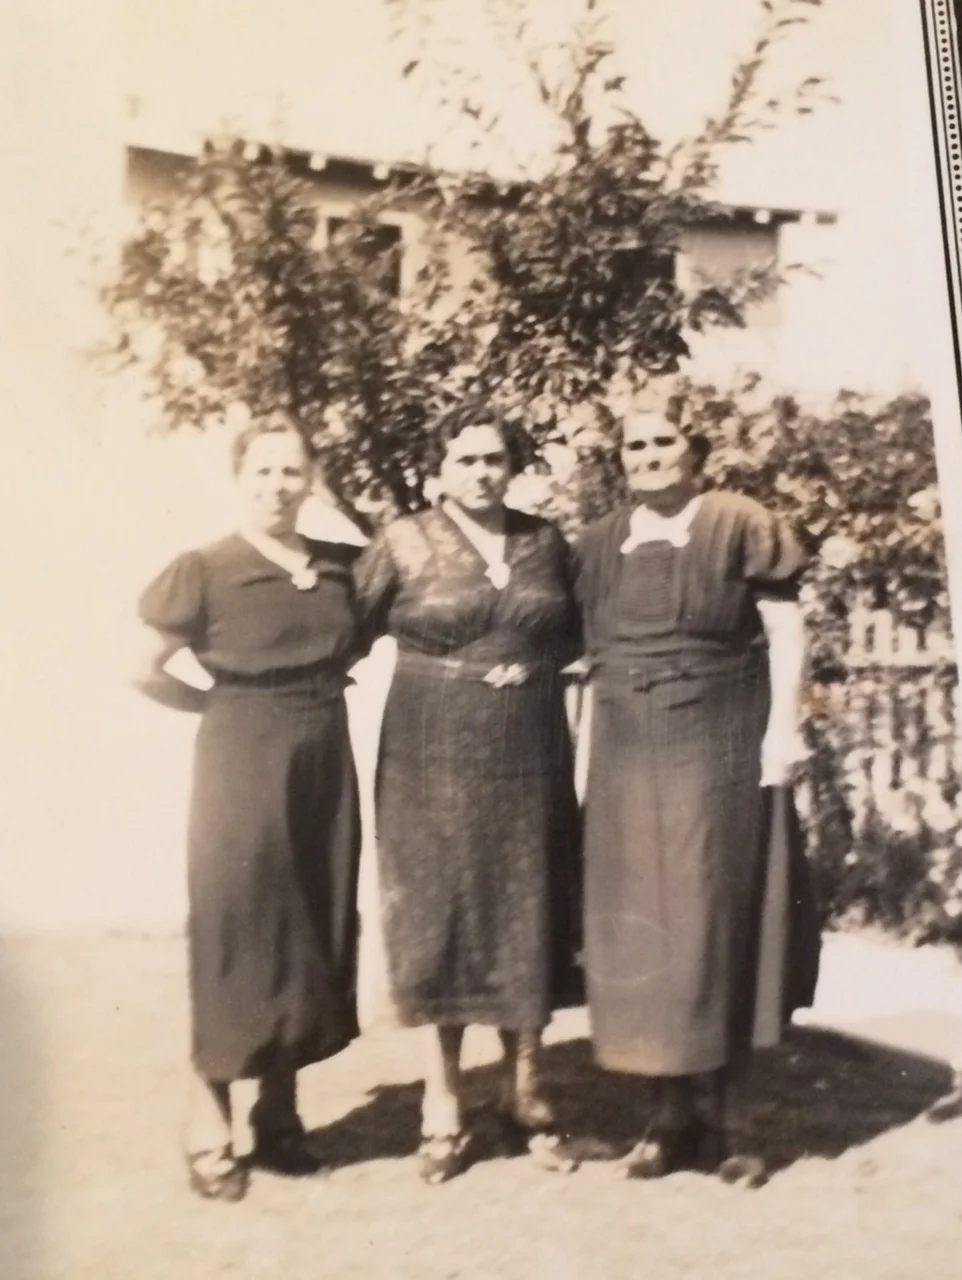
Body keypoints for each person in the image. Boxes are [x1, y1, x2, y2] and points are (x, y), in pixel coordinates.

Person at [575, 379, 820, 1187]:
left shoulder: (737, 522)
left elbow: (786, 632)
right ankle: (665, 1117)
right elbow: (584, 656)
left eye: (662, 443)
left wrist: (783, 731)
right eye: (634, 447)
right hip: (625, 751)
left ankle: (734, 1121)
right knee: (640, 924)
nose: (648, 457)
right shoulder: (601, 540)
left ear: (694, 449)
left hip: (717, 741)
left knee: (719, 917)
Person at [133, 416, 363, 1201]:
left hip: (324, 758)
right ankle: (207, 1120)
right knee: (238, 929)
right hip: (239, 760)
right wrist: (218, 707)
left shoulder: (340, 567)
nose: (276, 486)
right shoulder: (204, 568)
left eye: (290, 471)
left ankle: (280, 1115)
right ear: (240, 479)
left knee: (309, 926)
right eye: (261, 472)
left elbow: (353, 643)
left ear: (312, 478)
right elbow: (142, 669)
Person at [353, 404, 583, 1184]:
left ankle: (527, 1093)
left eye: (494, 458)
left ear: (511, 465)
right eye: (465, 460)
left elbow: (574, 632)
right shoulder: (401, 540)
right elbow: (346, 628)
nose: (482, 471)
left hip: (529, 748)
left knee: (529, 902)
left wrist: (534, 666)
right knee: (441, 910)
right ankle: (441, 1103)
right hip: (431, 750)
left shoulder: (544, 541)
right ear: (438, 470)